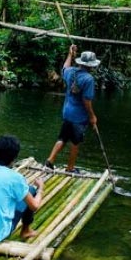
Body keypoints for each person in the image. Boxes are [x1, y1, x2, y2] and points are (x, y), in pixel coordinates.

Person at [44, 44, 99, 173]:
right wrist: (92, 117)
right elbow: (86, 100)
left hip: (67, 112)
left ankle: (50, 161)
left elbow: (64, 68)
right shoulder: (88, 79)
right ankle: (70, 168)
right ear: (91, 65)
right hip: (78, 117)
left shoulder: (70, 72)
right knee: (75, 142)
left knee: (62, 138)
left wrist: (70, 54)